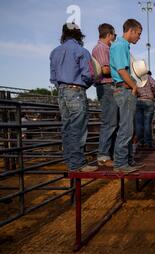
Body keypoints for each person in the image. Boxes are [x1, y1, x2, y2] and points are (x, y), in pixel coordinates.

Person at [50, 23, 97, 172]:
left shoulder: (55, 52)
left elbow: (53, 77)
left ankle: (71, 161)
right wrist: (82, 85)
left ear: (63, 34)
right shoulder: (81, 51)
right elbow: (89, 75)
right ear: (79, 34)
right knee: (78, 127)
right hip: (75, 91)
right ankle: (78, 164)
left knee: (67, 127)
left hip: (62, 91)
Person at [109, 19, 144, 173]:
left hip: (122, 88)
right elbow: (122, 71)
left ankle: (127, 161)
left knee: (127, 127)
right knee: (126, 128)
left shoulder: (119, 45)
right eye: (138, 33)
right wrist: (134, 86)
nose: (139, 37)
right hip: (124, 89)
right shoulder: (121, 45)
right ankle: (121, 164)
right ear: (130, 30)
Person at [92, 23, 117, 168]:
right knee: (110, 122)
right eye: (113, 35)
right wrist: (120, 71)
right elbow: (105, 69)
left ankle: (108, 154)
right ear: (109, 35)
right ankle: (103, 155)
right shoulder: (101, 48)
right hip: (106, 86)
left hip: (107, 87)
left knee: (112, 121)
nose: (114, 38)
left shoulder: (104, 48)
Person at [135, 71, 155, 149]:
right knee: (147, 123)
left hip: (138, 101)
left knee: (138, 123)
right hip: (148, 101)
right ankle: (148, 143)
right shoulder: (148, 76)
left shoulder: (135, 77)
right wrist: (153, 95)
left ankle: (140, 142)